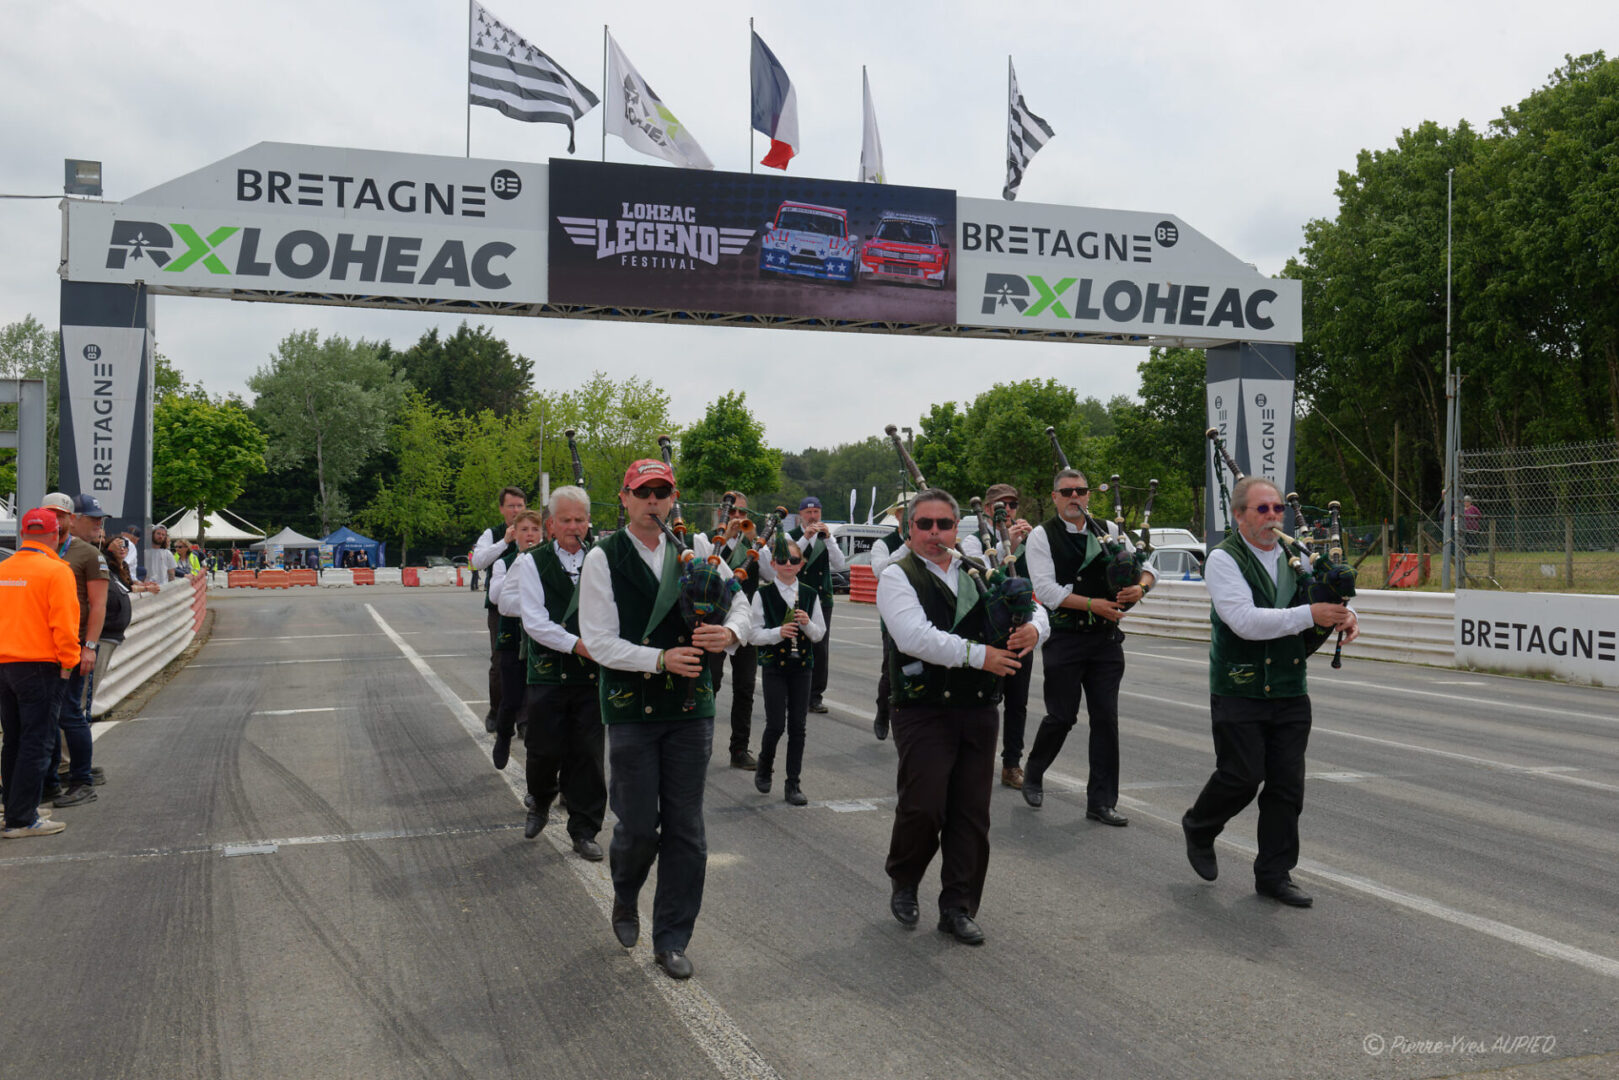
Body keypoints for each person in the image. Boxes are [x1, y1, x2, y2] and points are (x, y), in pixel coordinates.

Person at [579, 459, 752, 981]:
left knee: (686, 829)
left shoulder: (698, 549)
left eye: (662, 491)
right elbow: (599, 641)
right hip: (631, 708)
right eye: (643, 492)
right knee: (637, 827)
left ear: (673, 498)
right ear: (625, 498)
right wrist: (659, 659)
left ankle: (672, 937)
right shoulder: (603, 557)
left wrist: (731, 633)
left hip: (690, 709)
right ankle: (626, 894)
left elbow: (742, 604)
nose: (652, 500)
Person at [878, 488, 1047, 946]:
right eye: (925, 524)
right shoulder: (897, 575)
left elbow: (1032, 606)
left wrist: (1034, 629)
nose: (935, 533)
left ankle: (958, 907)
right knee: (924, 805)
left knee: (971, 814)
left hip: (977, 707)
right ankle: (905, 877)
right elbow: (914, 637)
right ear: (909, 529)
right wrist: (982, 656)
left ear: (957, 528)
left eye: (944, 524)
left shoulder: (978, 569)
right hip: (922, 707)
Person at [1181, 477, 1358, 908]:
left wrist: (1348, 613)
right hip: (1239, 687)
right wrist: (1310, 614)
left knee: (1286, 787)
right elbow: (1245, 621)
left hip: (1289, 688)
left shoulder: (1294, 554)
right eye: (1262, 509)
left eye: (1278, 508)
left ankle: (1275, 874)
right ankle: (1200, 826)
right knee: (1241, 777)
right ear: (1238, 515)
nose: (1273, 516)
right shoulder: (1223, 559)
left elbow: (1327, 590)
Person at [1019, 468, 1154, 826]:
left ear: (1089, 495)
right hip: (1065, 638)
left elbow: (1146, 567)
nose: (1074, 497)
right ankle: (1034, 770)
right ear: (1055, 497)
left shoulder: (1108, 529)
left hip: (1105, 640)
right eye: (1066, 492)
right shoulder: (1041, 536)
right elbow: (1046, 591)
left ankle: (1101, 802)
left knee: (1106, 720)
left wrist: (1140, 587)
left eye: (1080, 491)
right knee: (1062, 716)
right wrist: (1094, 605)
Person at [505, 490, 607, 858]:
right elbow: (534, 621)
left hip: (591, 677)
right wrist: (578, 644)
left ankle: (584, 829)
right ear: (551, 524)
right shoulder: (532, 562)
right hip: (548, 674)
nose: (573, 526)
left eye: (580, 520)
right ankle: (541, 801)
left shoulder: (601, 559)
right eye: (565, 520)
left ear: (588, 522)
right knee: (543, 749)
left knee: (588, 756)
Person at [0, 508, 80, 839]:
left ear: (23, 534)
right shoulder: (56, 571)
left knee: (13, 740)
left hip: (5, 665)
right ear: (54, 535)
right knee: (38, 742)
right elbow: (65, 624)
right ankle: (22, 819)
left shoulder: (3, 570)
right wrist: (69, 663)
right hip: (40, 666)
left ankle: (15, 808)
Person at [958, 484, 1036, 789]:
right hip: (988, 631)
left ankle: (1011, 764)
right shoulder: (972, 540)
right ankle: (974, 762)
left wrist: (1029, 541)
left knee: (1018, 703)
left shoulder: (1031, 540)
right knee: (983, 701)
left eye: (1013, 505)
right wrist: (1009, 547)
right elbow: (981, 576)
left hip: (1020, 632)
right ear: (989, 509)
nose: (1010, 511)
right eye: (1003, 506)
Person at [748, 538, 826, 805]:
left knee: (798, 727)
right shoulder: (763, 594)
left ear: (801, 564)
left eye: (793, 560)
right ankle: (764, 766)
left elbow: (819, 634)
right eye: (782, 560)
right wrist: (778, 633)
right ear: (773, 564)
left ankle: (793, 783)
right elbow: (753, 635)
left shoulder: (809, 594)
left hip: (802, 666)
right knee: (776, 724)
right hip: (774, 666)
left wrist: (806, 624)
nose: (788, 565)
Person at [45, 493, 109, 809]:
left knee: (70, 713)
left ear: (71, 519)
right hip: (41, 649)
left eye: (61, 515)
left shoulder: (88, 554)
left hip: (74, 646)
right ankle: (49, 782)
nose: (56, 520)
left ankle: (82, 781)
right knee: (46, 717)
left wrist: (90, 647)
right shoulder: (38, 548)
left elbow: (98, 605)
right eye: (50, 514)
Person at [768, 496, 846, 714]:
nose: (813, 517)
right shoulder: (790, 536)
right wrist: (805, 537)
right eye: (808, 513)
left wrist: (829, 539)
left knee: (820, 647)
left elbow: (840, 563)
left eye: (816, 513)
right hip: (793, 596)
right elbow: (786, 558)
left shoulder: (826, 538)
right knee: (791, 642)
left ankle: (815, 695)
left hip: (821, 598)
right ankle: (789, 694)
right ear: (800, 515)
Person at [706, 491, 760, 769]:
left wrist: (755, 541)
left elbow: (771, 573)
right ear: (722, 513)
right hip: (714, 622)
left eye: (742, 513)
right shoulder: (707, 540)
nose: (738, 518)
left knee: (745, 687)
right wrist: (726, 538)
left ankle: (739, 748)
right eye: (733, 512)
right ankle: (701, 745)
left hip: (744, 622)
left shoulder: (755, 542)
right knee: (710, 684)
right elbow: (707, 572)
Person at [471, 487, 528, 733]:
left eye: (520, 506)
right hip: (499, 609)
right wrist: (504, 542)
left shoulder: (532, 530)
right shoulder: (491, 534)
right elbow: (477, 562)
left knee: (527, 660)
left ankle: (524, 719)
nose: (516, 510)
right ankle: (497, 710)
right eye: (511, 506)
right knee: (500, 661)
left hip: (530, 607)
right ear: (501, 509)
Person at [484, 513, 533, 773]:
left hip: (539, 641)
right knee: (511, 696)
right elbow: (496, 597)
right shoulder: (504, 563)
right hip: (511, 636)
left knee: (539, 701)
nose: (530, 534)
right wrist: (519, 565)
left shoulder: (547, 560)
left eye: (535, 529)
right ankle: (504, 735)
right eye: (524, 529)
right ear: (515, 535)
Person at [868, 502, 909, 741]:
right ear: (898, 516)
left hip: (925, 609)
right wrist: (907, 547)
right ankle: (883, 712)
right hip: (894, 612)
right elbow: (880, 571)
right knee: (891, 667)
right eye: (906, 512)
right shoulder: (883, 544)